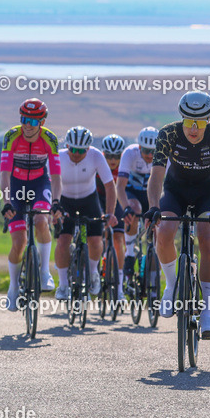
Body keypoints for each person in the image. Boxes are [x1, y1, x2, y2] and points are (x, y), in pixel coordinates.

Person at [145, 91, 210, 340]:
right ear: (181, 117)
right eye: (188, 121)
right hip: (176, 191)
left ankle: (207, 312)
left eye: (200, 122)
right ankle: (171, 285)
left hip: (207, 193)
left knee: (207, 238)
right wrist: (153, 206)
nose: (193, 128)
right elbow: (157, 175)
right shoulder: (168, 133)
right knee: (164, 232)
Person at [0, 99, 62, 312]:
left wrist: (56, 202)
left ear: (42, 122)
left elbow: (55, 175)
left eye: (33, 122)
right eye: (24, 120)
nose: (27, 125)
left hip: (39, 183)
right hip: (16, 184)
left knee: (40, 219)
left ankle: (45, 272)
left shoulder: (50, 139)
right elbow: (5, 174)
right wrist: (7, 201)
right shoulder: (11, 137)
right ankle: (13, 287)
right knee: (18, 242)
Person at [54, 127, 117, 300]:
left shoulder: (96, 156)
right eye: (72, 149)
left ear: (88, 149)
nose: (75, 154)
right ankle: (63, 285)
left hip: (89, 200)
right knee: (63, 241)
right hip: (64, 201)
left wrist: (110, 213)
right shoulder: (58, 157)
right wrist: (52, 208)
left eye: (80, 151)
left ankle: (93, 272)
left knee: (96, 240)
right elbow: (48, 183)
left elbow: (110, 186)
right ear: (66, 146)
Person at [117, 127, 157, 279]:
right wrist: (126, 208)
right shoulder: (129, 153)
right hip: (132, 192)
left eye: (153, 152)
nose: (149, 155)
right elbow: (119, 186)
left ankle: (154, 258)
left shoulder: (163, 156)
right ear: (139, 147)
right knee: (134, 209)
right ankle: (129, 254)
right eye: (146, 151)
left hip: (151, 194)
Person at [98, 134, 128, 298]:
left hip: (117, 201)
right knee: (97, 236)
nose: (112, 160)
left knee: (118, 238)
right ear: (104, 154)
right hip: (98, 198)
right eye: (108, 155)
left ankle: (119, 286)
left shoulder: (124, 165)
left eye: (116, 156)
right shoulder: (98, 162)